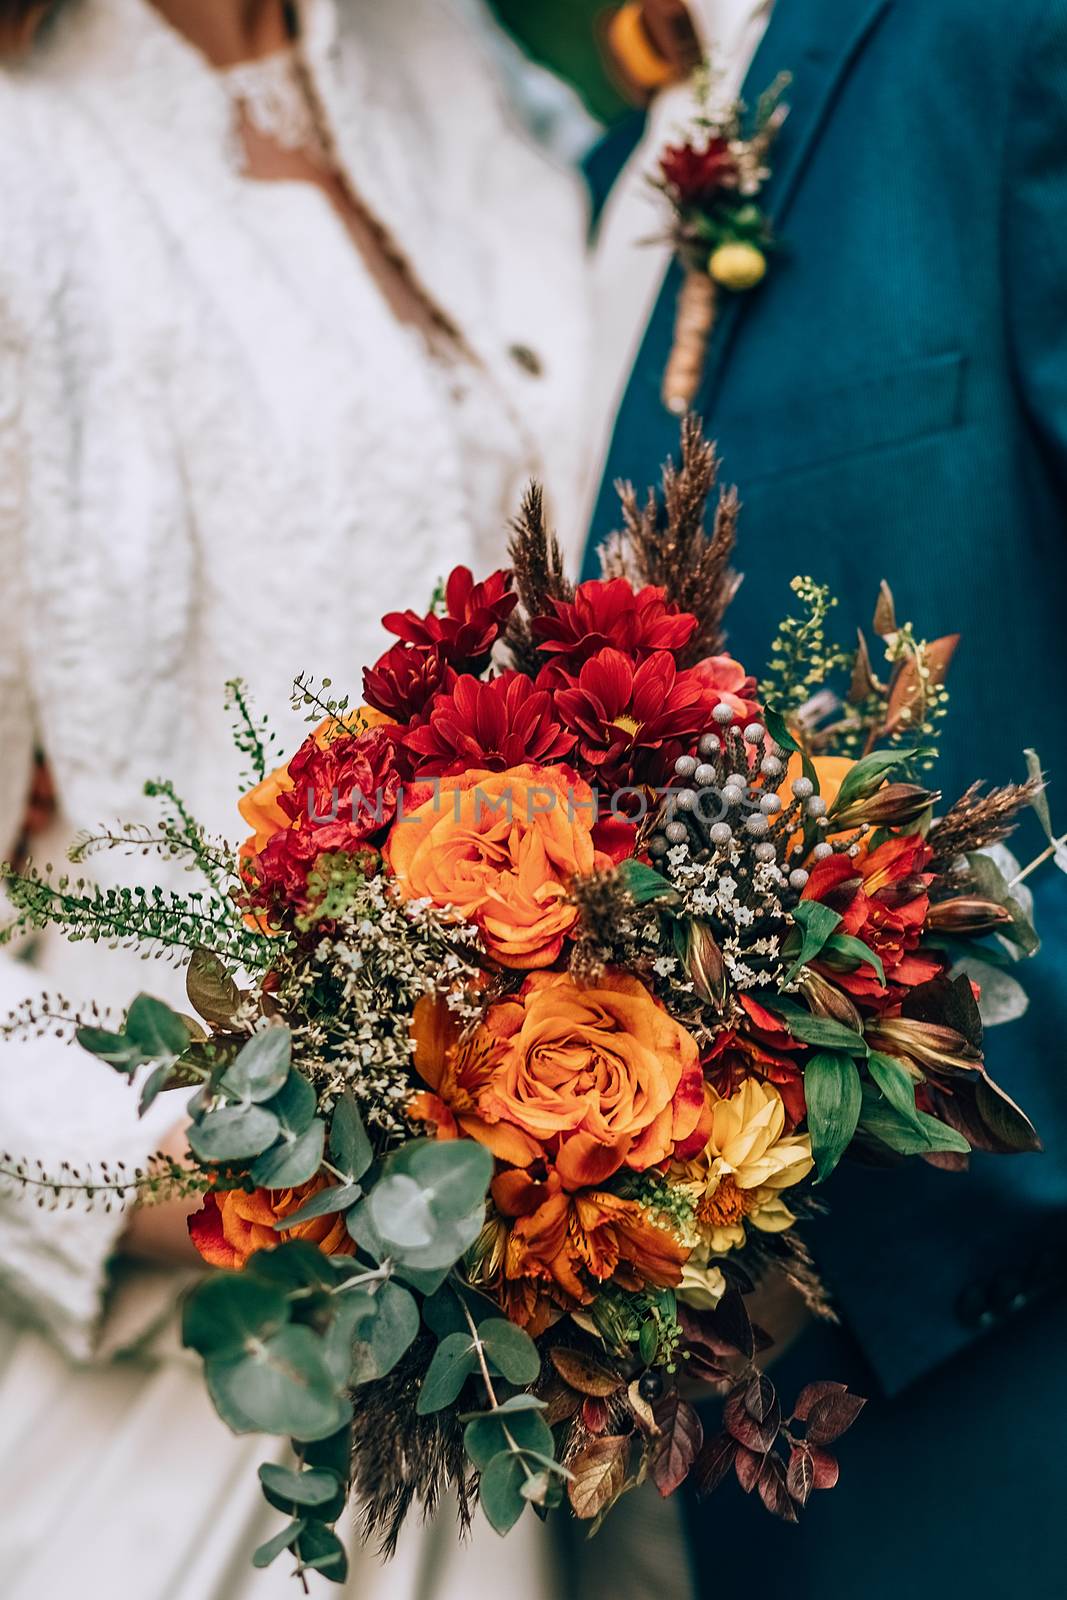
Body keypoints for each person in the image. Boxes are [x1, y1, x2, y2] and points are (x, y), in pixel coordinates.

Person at [0, 0, 588, 1593]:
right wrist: (269, 1177)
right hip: (199, 1412)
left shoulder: (462, 71)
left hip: (553, 1372)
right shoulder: (26, 166)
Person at [581, 0, 1067, 1592]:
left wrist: (931, 1184)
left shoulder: (1006, 45)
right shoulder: (593, 170)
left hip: (1012, 1350)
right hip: (746, 1446)